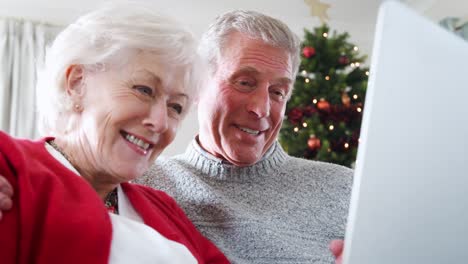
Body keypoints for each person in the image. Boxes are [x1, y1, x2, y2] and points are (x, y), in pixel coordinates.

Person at [0, 3, 229, 264]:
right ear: (77, 83)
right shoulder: (10, 167)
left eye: (176, 107)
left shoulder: (165, 210)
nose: (161, 122)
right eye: (144, 90)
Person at [133, 10, 353, 263]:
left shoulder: (346, 191)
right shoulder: (138, 184)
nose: (261, 109)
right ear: (197, 86)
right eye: (245, 83)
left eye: (278, 92)